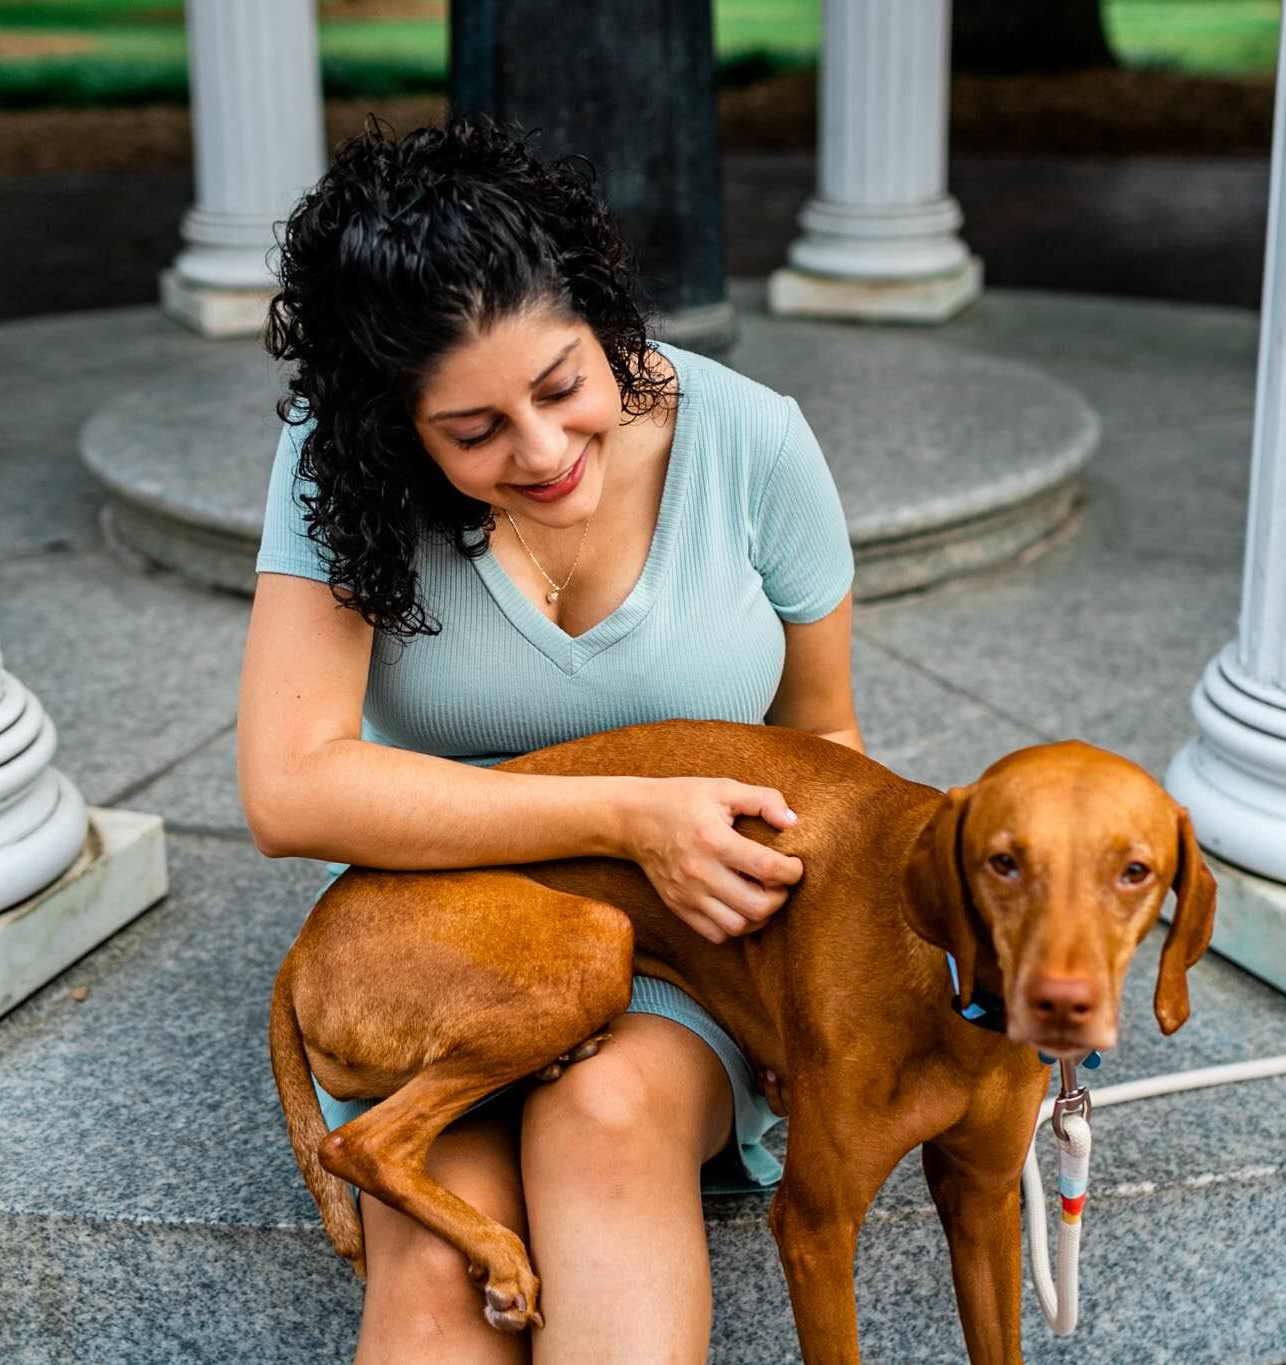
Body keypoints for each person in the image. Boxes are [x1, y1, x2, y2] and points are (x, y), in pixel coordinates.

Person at [237, 119, 862, 1364]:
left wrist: (833, 1002)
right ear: (393, 428)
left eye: (564, 384)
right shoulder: (338, 470)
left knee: (609, 1114)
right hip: (435, 933)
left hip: (694, 944)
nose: (541, 451)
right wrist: (626, 812)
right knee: (430, 1256)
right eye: (471, 433)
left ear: (601, 312)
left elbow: (823, 736)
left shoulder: (751, 444)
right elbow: (288, 786)